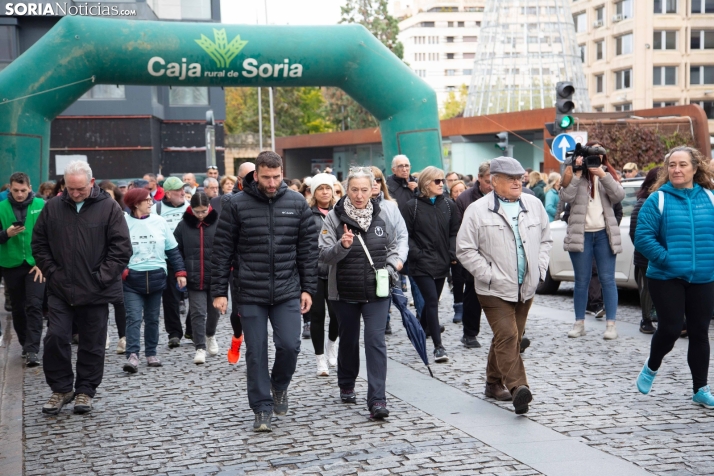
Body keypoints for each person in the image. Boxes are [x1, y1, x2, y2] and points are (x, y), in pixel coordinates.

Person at [211, 151, 317, 432]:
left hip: (286, 289)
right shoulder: (235, 204)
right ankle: (261, 408)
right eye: (266, 177)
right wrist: (219, 291)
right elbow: (222, 250)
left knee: (290, 346)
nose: (272, 183)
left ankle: (279, 385)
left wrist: (308, 288)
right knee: (256, 352)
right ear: (255, 175)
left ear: (282, 174)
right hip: (249, 291)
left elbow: (307, 250)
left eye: (277, 177)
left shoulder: (296, 203)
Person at [33, 161, 131, 415]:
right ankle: (62, 388)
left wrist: (101, 277)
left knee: (92, 343)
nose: (75, 193)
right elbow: (39, 243)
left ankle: (85, 391)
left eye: (80, 189)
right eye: (70, 188)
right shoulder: (53, 207)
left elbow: (121, 248)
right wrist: (53, 272)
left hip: (96, 289)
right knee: (55, 337)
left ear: (91, 182)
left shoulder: (109, 207)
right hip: (61, 288)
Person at [456, 156, 552, 414]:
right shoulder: (477, 210)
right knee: (509, 335)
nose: (517, 182)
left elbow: (545, 239)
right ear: (494, 181)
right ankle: (518, 387)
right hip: (493, 288)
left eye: (519, 177)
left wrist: (540, 268)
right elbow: (464, 249)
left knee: (509, 337)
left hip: (526, 285)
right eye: (510, 178)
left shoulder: (533, 204)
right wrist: (487, 274)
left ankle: (492, 382)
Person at [319, 167, 406, 420]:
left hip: (377, 291)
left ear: (373, 189)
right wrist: (342, 246)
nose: (359, 195)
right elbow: (323, 255)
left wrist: (393, 265)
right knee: (348, 340)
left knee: (375, 341)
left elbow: (395, 243)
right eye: (354, 190)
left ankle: (377, 399)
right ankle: (346, 383)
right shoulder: (334, 218)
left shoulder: (384, 213)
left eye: (364, 190)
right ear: (347, 189)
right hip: (344, 291)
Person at [634, 146, 714, 409]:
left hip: (703, 277)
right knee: (669, 329)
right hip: (666, 276)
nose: (676, 169)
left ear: (695, 168)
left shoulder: (710, 198)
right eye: (672, 165)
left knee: (699, 332)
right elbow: (642, 237)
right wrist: (668, 259)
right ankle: (651, 366)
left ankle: (700, 388)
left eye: (682, 165)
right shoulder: (658, 199)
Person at [561, 141, 625, 340]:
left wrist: (603, 176)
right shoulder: (576, 174)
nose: (594, 159)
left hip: (604, 235)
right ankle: (579, 323)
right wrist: (577, 173)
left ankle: (611, 325)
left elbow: (619, 196)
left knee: (608, 279)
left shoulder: (607, 174)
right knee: (581, 281)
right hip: (582, 234)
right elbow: (566, 197)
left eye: (598, 154)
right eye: (591, 153)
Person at [121, 188, 187, 373]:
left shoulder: (159, 221)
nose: (152, 203)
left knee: (152, 319)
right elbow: (114, 250)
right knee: (133, 318)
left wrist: (180, 272)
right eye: (147, 200)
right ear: (135, 203)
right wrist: (122, 270)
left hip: (156, 279)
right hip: (132, 280)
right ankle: (132, 355)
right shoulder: (123, 223)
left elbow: (172, 250)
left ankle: (151, 353)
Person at [401, 166, 459, 362]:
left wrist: (452, 252)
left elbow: (455, 231)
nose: (442, 184)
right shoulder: (412, 206)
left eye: (443, 180)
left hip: (442, 262)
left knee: (429, 303)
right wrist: (417, 253)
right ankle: (438, 346)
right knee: (432, 300)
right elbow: (405, 235)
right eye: (437, 181)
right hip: (421, 263)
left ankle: (419, 326)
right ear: (426, 184)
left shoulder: (449, 205)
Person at [0, 172, 46, 367]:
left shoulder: (41, 205)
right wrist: (6, 233)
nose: (19, 194)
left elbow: (51, 235)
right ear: (10, 188)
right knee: (18, 308)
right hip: (11, 265)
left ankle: (33, 349)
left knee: (35, 305)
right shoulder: (1, 208)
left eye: (23, 190)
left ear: (30, 188)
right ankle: (25, 344)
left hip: (36, 265)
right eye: (16, 190)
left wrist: (43, 262)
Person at [213, 161, 255, 364]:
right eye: (248, 176)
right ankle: (237, 337)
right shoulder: (229, 201)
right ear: (239, 180)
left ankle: (255, 352)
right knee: (238, 311)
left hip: (259, 265)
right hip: (236, 266)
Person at [174, 192, 220, 365]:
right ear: (191, 209)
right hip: (193, 277)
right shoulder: (183, 226)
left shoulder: (218, 223)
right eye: (197, 211)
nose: (201, 215)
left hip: (215, 276)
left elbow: (226, 247)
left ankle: (210, 335)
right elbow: (175, 250)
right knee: (198, 312)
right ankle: (200, 347)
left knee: (214, 312)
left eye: (203, 211)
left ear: (209, 207)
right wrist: (180, 271)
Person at [455, 161, 492, 348]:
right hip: (474, 254)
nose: (491, 184)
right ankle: (469, 333)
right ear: (479, 179)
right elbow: (460, 230)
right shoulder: (465, 198)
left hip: (498, 253)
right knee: (472, 295)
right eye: (488, 181)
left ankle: (513, 334)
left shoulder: (502, 195)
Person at [306, 173, 339, 376]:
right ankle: (320, 359)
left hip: (337, 271)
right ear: (314, 192)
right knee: (317, 316)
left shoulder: (340, 211)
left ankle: (331, 344)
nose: (325, 192)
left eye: (328, 188)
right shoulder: (307, 214)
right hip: (315, 271)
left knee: (337, 315)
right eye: (321, 188)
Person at [152, 177, 191, 347]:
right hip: (168, 259)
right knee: (171, 299)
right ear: (167, 193)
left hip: (189, 257)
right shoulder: (156, 209)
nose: (182, 193)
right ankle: (174, 333)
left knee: (197, 297)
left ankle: (191, 329)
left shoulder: (190, 207)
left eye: (183, 189)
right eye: (178, 190)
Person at [370, 166, 408, 335]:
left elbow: (402, 235)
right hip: (366, 263)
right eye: (371, 180)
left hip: (389, 262)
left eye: (378, 180)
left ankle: (385, 320)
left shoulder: (391, 206)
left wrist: (399, 259)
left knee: (389, 295)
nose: (375, 184)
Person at [386, 155, 425, 323]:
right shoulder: (388, 186)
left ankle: (424, 319)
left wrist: (417, 191)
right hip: (392, 241)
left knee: (418, 281)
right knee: (386, 281)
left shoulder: (417, 183)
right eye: (400, 166)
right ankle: (384, 320)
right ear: (393, 169)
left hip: (414, 240)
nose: (404, 169)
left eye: (407, 165)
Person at [629, 167, 660, 334]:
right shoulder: (643, 202)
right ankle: (646, 320)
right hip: (645, 256)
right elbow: (634, 232)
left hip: (659, 254)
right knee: (648, 288)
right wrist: (650, 250)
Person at [99, 180, 128, 353]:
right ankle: (104, 335)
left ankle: (123, 337)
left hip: (118, 264)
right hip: (98, 264)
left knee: (119, 302)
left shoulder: (122, 216)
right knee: (101, 303)